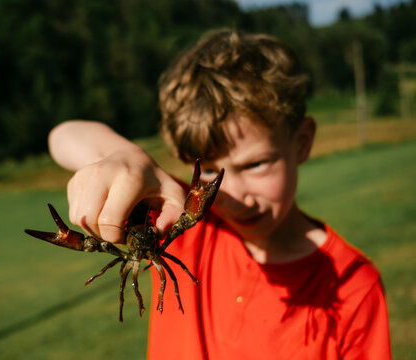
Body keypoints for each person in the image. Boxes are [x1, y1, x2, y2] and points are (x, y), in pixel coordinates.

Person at [48, 29, 391, 359]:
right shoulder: (181, 221)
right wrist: (127, 156)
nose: (234, 194)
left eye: (256, 164)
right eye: (210, 171)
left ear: (301, 143)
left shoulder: (355, 286)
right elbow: (63, 136)